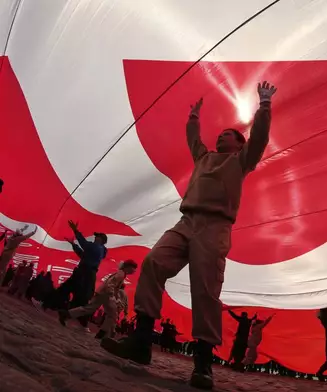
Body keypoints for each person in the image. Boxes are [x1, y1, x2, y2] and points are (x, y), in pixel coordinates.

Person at [100, 81, 277, 390]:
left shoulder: (240, 161)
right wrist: (194, 118)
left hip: (215, 227)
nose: (221, 136)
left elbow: (259, 140)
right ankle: (141, 343)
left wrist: (264, 106)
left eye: (228, 135)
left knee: (206, 289)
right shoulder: (204, 158)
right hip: (186, 221)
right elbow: (193, 139)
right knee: (154, 262)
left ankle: (203, 364)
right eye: (220, 134)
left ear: (238, 144)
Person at [45, 221, 108, 328]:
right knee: (80, 294)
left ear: (102, 240)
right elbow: (83, 254)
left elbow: (84, 244)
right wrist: (74, 245)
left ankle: (53, 307)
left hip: (85, 273)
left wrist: (75, 230)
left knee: (73, 292)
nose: (95, 237)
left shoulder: (97, 247)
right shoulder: (98, 250)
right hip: (86, 273)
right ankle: (72, 316)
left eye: (97, 236)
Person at [59, 260, 137, 340]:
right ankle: (66, 314)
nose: (134, 271)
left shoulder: (122, 273)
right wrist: (112, 296)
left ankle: (67, 314)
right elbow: (110, 284)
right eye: (134, 269)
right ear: (129, 267)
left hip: (104, 294)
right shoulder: (121, 274)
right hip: (105, 295)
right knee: (97, 311)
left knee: (108, 313)